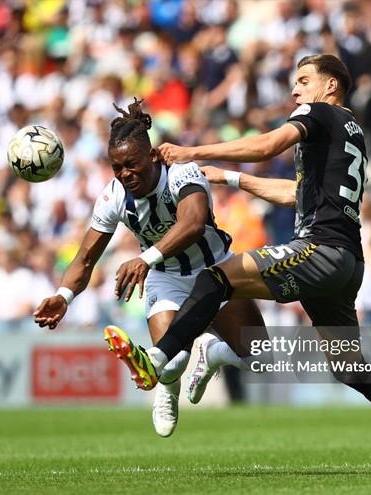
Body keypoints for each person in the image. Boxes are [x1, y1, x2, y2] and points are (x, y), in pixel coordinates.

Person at [105, 55, 371, 473]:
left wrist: (191, 151)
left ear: (330, 86)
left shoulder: (318, 112)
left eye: (304, 80)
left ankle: (158, 357)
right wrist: (229, 178)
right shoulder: (350, 132)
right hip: (347, 263)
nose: (295, 90)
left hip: (320, 250)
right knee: (350, 368)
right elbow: (297, 193)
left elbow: (266, 146)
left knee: (215, 278)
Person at [33, 98, 272, 438]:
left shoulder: (182, 172)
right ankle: (167, 389)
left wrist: (144, 259)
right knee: (170, 362)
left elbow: (192, 222)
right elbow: (86, 257)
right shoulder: (114, 196)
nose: (125, 175)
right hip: (167, 279)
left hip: (217, 271)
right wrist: (64, 295)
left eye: (131, 164)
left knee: (261, 360)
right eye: (117, 167)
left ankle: (212, 353)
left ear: (153, 155)